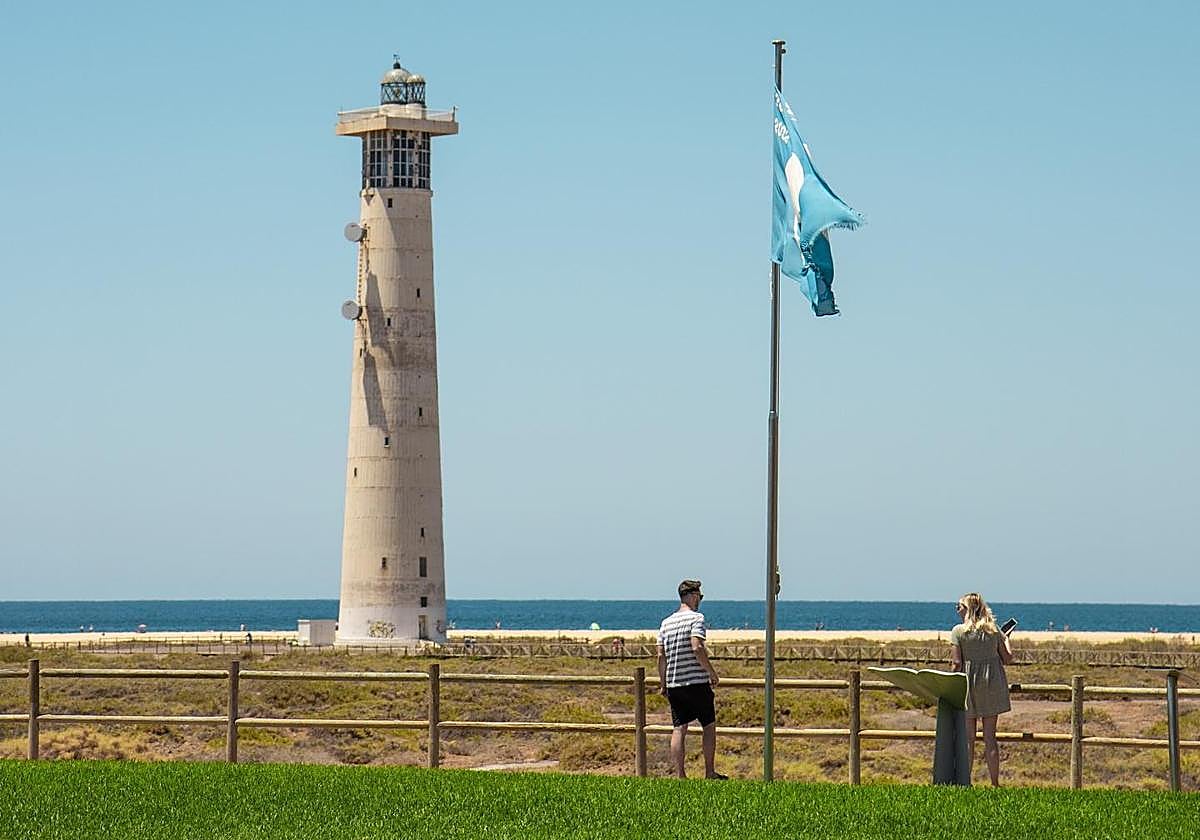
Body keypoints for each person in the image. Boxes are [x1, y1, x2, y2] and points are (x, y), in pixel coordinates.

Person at [657, 579, 726, 780]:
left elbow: (661, 656)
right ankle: (709, 772)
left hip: (674, 684)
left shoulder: (666, 623)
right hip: (696, 682)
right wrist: (711, 672)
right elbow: (697, 647)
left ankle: (680, 775)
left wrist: (663, 683)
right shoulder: (697, 618)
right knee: (709, 726)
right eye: (700, 597)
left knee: (679, 728)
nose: (700, 601)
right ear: (693, 595)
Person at [950, 592, 1014, 786]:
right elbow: (1008, 658)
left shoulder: (958, 631)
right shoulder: (993, 630)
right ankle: (995, 783)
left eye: (959, 605)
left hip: (969, 684)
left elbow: (956, 663)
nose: (956, 609)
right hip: (992, 683)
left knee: (969, 738)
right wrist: (1007, 638)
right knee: (990, 738)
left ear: (968, 608)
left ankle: (965, 782)